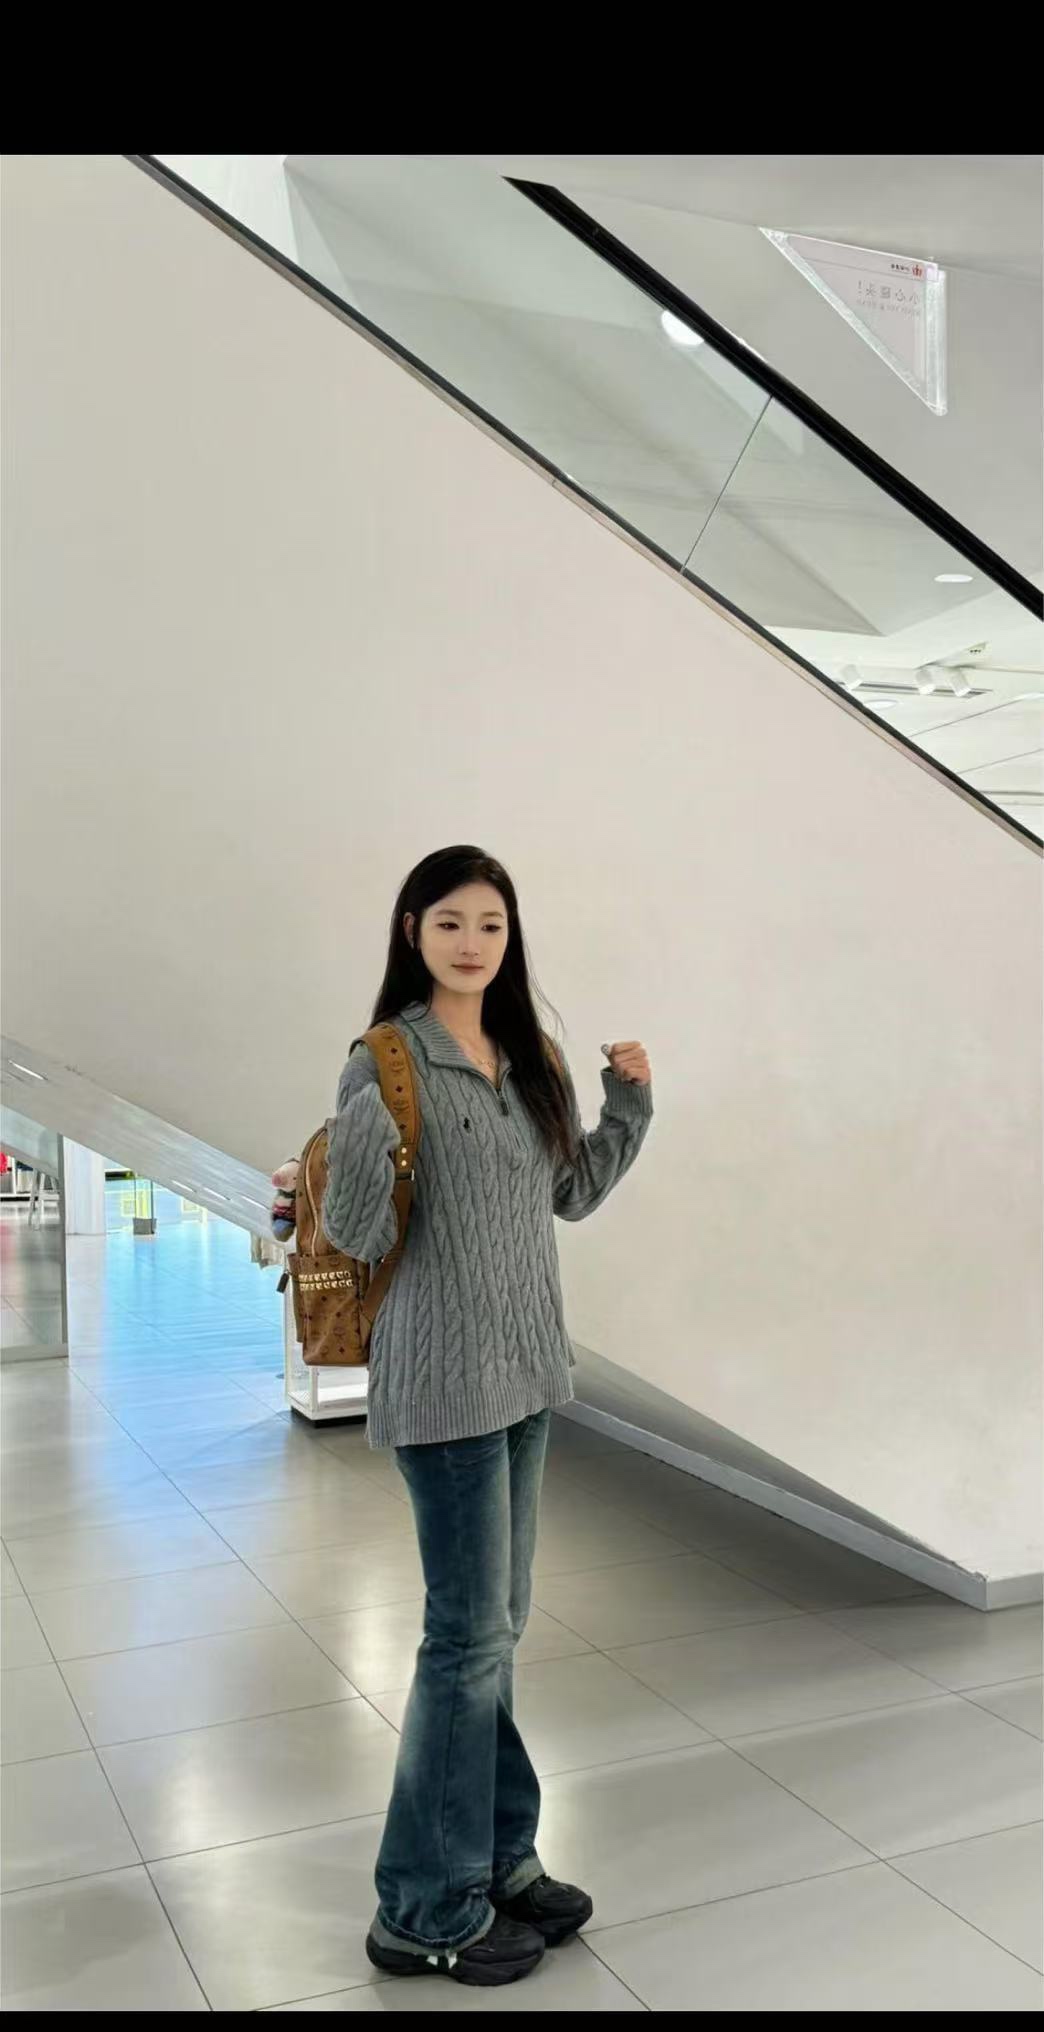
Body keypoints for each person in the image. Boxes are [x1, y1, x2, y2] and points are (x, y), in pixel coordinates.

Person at [321, 844, 653, 1988]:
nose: (472, 942)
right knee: (464, 1642)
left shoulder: (527, 1056)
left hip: (526, 1377)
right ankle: (422, 1906)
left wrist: (629, 1108)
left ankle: (501, 1860)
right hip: (445, 1385)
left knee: (496, 1634)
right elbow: (360, 1233)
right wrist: (355, 1149)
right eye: (451, 922)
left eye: (492, 925)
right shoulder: (385, 1061)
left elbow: (572, 1193)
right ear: (413, 931)